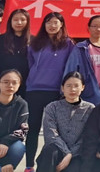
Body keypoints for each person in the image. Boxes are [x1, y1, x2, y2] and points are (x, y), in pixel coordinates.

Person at [24, 12, 75, 172]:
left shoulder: (68, 44)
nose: (52, 25)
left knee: (54, 130)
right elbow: (30, 64)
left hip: (55, 91)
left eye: (55, 22)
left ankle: (51, 163)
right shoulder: (35, 43)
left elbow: (70, 67)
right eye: (48, 22)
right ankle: (29, 165)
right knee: (32, 128)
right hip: (34, 90)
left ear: (61, 25)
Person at [36, 71, 95, 172]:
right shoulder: (52, 107)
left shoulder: (90, 109)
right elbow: (51, 135)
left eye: (76, 86)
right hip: (55, 151)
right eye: (68, 86)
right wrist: (66, 153)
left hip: (77, 154)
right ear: (62, 88)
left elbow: (87, 136)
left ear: (83, 87)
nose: (72, 89)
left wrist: (71, 154)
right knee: (50, 151)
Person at [65, 15, 100, 105]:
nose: (98, 29)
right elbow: (71, 70)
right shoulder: (80, 48)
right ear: (88, 28)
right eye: (94, 26)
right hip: (85, 94)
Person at [0, 9, 31, 93]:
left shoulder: (33, 41)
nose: (19, 22)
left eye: (23, 19)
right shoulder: (0, 40)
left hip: (25, 85)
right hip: (3, 84)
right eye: (15, 20)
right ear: (10, 21)